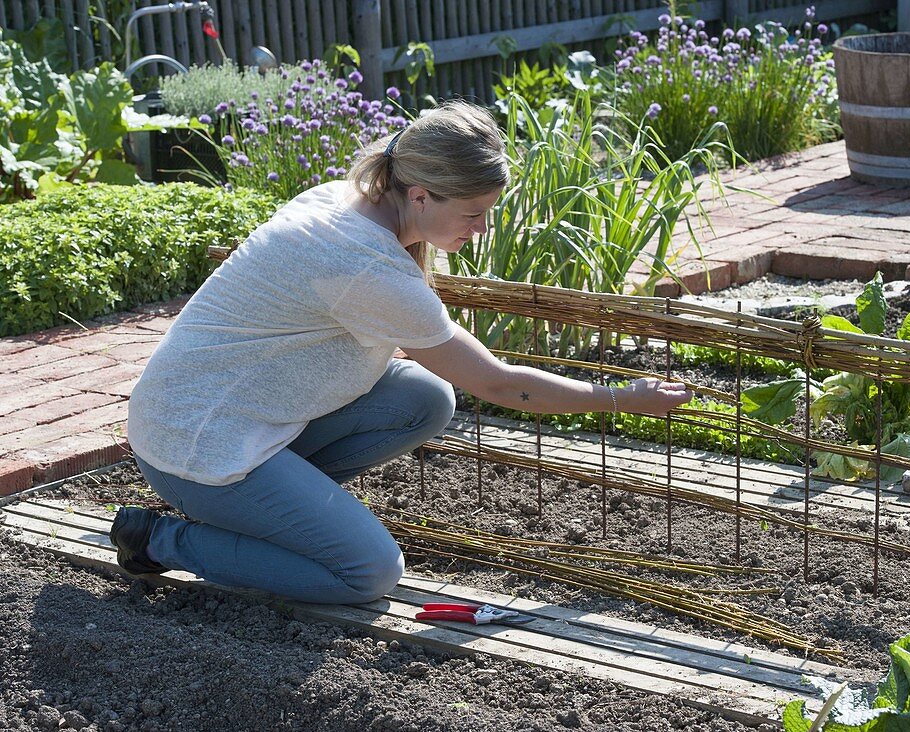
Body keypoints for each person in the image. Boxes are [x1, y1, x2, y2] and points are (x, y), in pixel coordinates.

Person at [114, 100, 692, 604]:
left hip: (213, 414)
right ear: (419, 195)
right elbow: (496, 384)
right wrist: (618, 398)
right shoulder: (365, 266)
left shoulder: (354, 198)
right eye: (473, 214)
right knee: (367, 572)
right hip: (195, 447)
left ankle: (268, 517)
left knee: (422, 396)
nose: (484, 228)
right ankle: (161, 540)